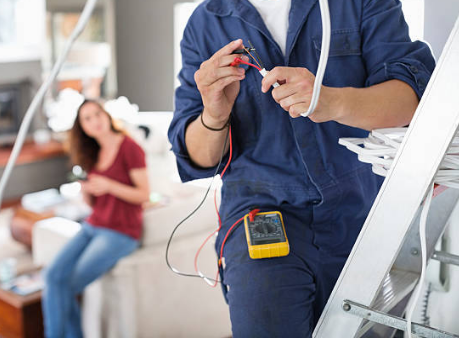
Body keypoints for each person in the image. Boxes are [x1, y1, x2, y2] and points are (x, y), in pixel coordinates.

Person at [168, 0, 435, 337]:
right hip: (259, 210)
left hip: (361, 215)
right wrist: (214, 114)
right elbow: (198, 155)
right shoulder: (206, 21)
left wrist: (330, 101)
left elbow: (413, 102)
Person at [42, 100, 149, 338]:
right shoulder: (92, 153)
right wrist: (88, 193)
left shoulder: (130, 148)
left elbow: (143, 194)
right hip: (93, 224)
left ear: (106, 115)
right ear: (83, 128)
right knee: (52, 276)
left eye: (96, 114)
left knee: (65, 287)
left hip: (120, 232)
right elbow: (94, 204)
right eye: (87, 119)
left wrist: (110, 185)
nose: (94, 121)